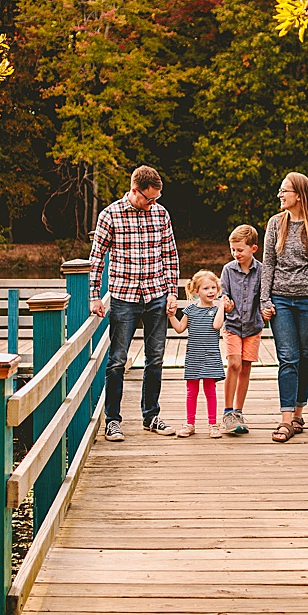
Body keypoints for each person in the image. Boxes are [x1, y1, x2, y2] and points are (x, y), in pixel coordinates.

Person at [89, 165, 180, 442]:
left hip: (156, 294)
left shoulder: (161, 214)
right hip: (123, 296)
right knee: (117, 360)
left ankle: (151, 415)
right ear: (134, 190)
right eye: (148, 199)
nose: (153, 203)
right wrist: (94, 295)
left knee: (155, 359)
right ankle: (113, 421)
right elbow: (97, 258)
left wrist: (172, 292)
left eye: (156, 199)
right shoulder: (110, 215)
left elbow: (170, 255)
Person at [260, 172, 308, 443]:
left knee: (305, 356)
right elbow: (268, 263)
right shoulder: (275, 223)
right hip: (281, 298)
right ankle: (285, 420)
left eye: (285, 191)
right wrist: (264, 299)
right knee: (288, 357)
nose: (280, 195)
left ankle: (298, 413)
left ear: (300, 195)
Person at [168, 270, 227, 438]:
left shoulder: (217, 310)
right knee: (191, 391)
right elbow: (179, 329)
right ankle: (190, 423)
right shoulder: (190, 310)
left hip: (210, 355)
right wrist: (172, 316)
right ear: (196, 291)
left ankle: (212, 424)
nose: (211, 292)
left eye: (213, 288)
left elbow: (217, 326)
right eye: (206, 288)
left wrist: (221, 306)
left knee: (210, 390)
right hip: (194, 355)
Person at [218, 224, 262, 436]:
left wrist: (267, 309)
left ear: (253, 249)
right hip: (233, 325)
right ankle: (227, 412)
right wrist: (224, 302)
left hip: (253, 327)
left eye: (240, 250)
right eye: (233, 249)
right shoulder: (228, 270)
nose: (236, 254)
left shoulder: (262, 270)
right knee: (233, 363)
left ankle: (238, 411)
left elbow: (264, 297)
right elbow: (222, 293)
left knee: (245, 367)